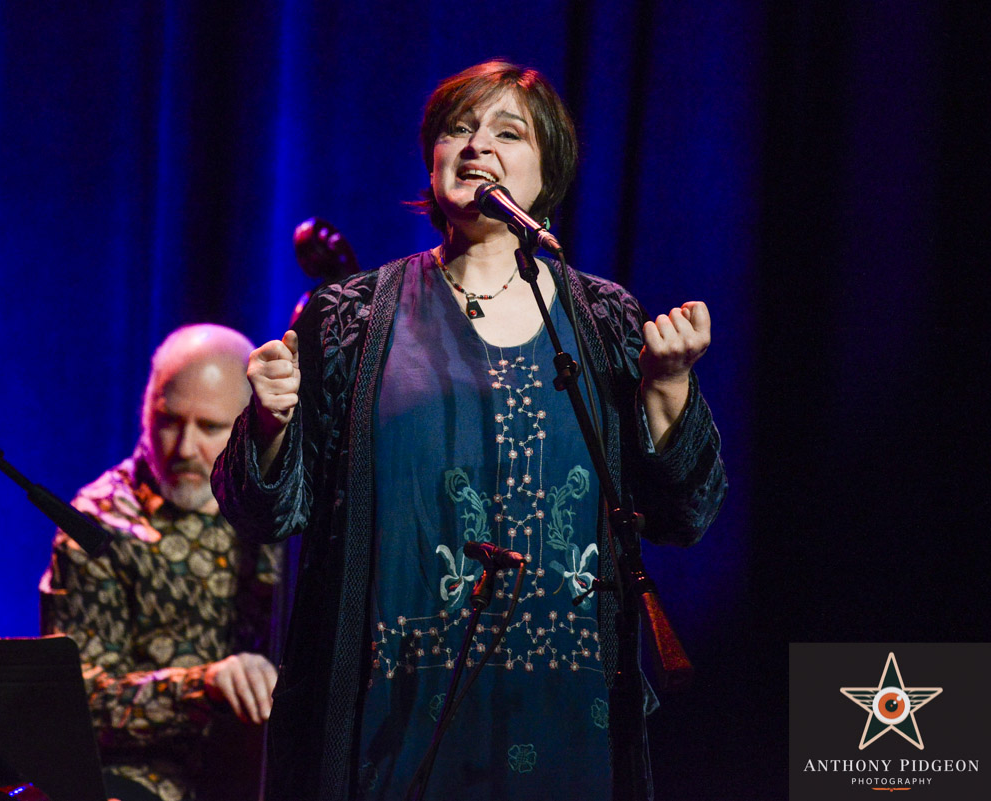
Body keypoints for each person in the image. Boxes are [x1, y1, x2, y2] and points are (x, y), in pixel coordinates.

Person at [212, 60, 727, 801]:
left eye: (506, 132)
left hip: (564, 714)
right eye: (459, 129)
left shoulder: (607, 318)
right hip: (392, 720)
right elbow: (263, 512)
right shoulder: (351, 316)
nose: (477, 144)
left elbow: (687, 515)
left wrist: (670, 384)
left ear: (547, 177)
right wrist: (268, 419)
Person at [41, 324, 281, 801]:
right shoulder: (98, 522)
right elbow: (75, 702)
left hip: (272, 771)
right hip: (144, 778)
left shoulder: (280, 507)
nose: (184, 448)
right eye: (169, 421)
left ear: (249, 422)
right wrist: (204, 686)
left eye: (210, 427)